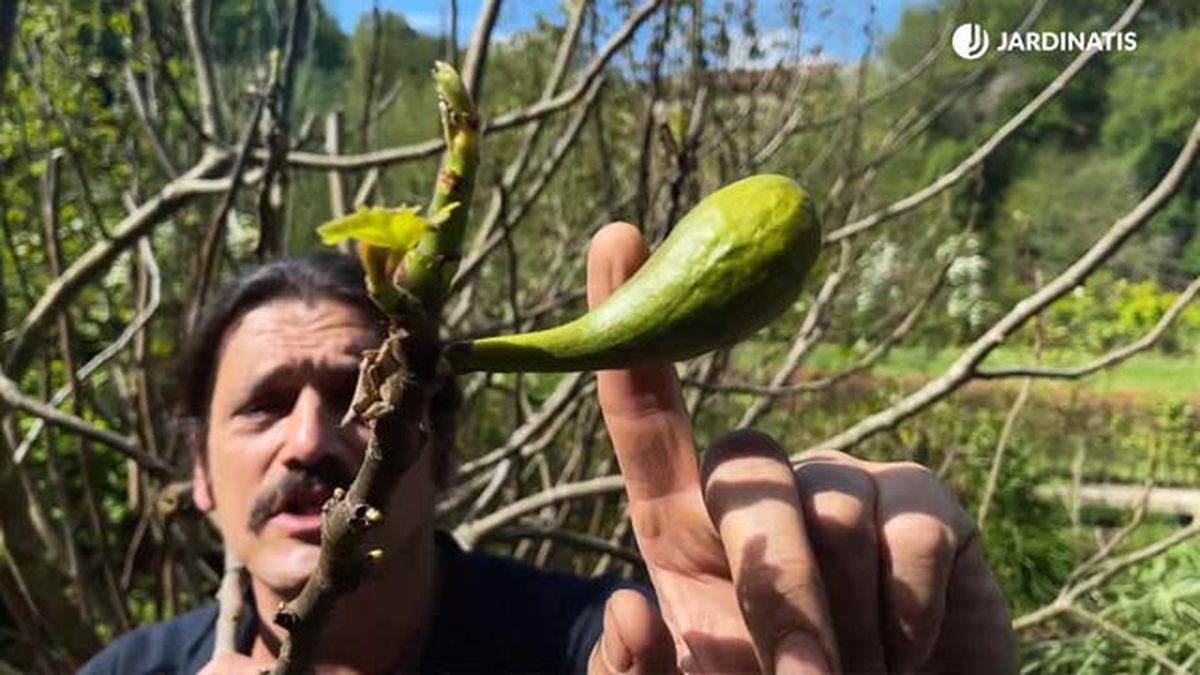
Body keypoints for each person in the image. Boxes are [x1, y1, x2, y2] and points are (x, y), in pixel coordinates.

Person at [80, 223, 1015, 674]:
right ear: (197, 472)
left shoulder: (605, 650)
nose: (311, 440)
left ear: (440, 457)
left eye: (363, 399)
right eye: (264, 406)